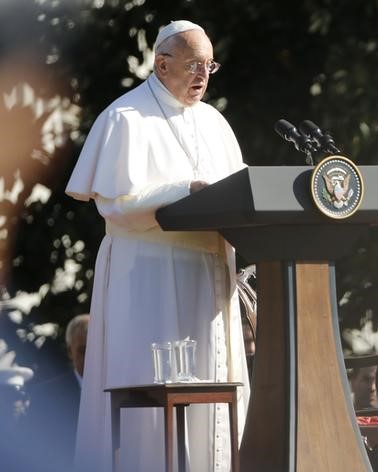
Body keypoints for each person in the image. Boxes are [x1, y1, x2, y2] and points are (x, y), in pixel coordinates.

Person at [65, 20, 249, 472]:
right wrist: (186, 189)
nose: (203, 75)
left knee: (214, 398)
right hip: (147, 277)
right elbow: (116, 206)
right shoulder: (125, 118)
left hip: (210, 278)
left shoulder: (216, 122)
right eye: (193, 65)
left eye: (209, 65)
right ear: (162, 64)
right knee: (154, 403)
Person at [21, 314, 89, 471]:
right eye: (83, 351)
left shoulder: (121, 394)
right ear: (70, 352)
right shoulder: (46, 396)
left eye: (98, 348)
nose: (92, 357)